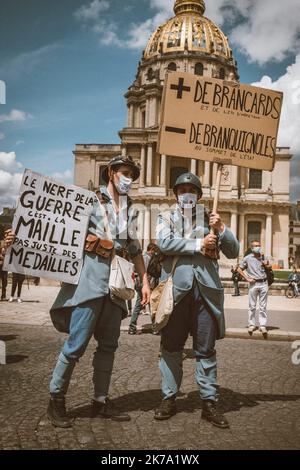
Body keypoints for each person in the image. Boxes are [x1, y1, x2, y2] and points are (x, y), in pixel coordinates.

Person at [4, 156, 151, 428]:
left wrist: (144, 281)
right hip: (89, 283)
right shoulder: (88, 201)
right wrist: (19, 238)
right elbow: (53, 229)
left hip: (116, 288)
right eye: (125, 173)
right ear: (111, 173)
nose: (129, 178)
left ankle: (100, 400)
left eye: (132, 174)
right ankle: (56, 399)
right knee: (76, 345)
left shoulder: (130, 209)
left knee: (109, 346)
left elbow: (135, 250)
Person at [154, 173, 239, 428]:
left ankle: (209, 402)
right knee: (170, 347)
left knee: (206, 349)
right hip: (176, 293)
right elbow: (164, 242)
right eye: (182, 190)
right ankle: (169, 397)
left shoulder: (211, 220)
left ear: (199, 195)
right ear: (175, 194)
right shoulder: (165, 217)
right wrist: (198, 243)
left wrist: (222, 229)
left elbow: (233, 251)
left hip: (206, 292)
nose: (187, 193)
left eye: (192, 189)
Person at [237, 240, 270, 336]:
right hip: (254, 284)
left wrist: (265, 264)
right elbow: (239, 269)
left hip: (264, 283)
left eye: (259, 245)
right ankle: (251, 324)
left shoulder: (263, 256)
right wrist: (247, 278)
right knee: (252, 306)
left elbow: (269, 267)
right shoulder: (247, 258)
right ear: (251, 248)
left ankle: (262, 325)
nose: (258, 247)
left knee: (263, 306)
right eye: (255, 246)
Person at [128, 243, 157, 335]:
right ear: (151, 249)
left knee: (140, 304)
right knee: (149, 304)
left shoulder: (142, 257)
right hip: (145, 284)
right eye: (154, 251)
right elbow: (147, 273)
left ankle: (132, 326)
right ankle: (154, 327)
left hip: (139, 283)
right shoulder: (147, 258)